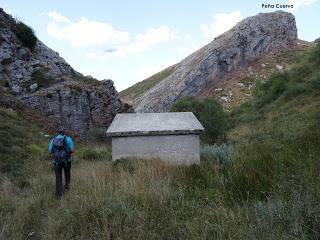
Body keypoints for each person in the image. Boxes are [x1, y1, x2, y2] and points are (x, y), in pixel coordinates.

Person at [48, 127, 74, 198]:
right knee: (67, 174)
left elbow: (50, 150)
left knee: (58, 177)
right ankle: (67, 187)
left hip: (56, 161)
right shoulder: (68, 139)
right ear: (65, 132)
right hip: (67, 161)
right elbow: (72, 149)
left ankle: (59, 194)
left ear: (58, 133)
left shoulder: (54, 139)